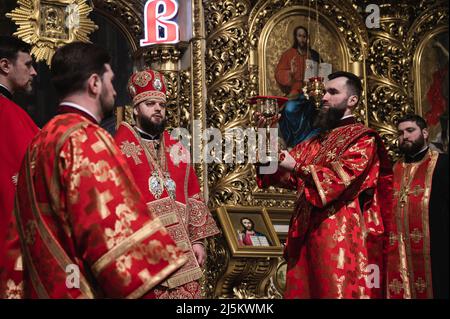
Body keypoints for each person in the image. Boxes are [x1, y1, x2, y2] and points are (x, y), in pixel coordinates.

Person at [1, 42, 186, 299]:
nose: (113, 90)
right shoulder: (87, 139)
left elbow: (18, 231)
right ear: (94, 83)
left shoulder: (40, 139)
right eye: (111, 80)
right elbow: (110, 233)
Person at [256, 71, 393, 298]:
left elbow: (340, 179)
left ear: (352, 100)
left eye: (332, 92)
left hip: (338, 235)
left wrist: (297, 167)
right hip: (306, 235)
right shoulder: (317, 141)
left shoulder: (363, 139)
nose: (324, 98)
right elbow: (276, 173)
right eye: (325, 92)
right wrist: (265, 133)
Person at [114, 68, 220, 299]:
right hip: (143, 252)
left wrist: (198, 241)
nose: (158, 110)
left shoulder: (177, 149)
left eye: (161, 105)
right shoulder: (119, 147)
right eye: (150, 104)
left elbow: (193, 195)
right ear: (136, 109)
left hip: (182, 253)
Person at [385, 114, 448, 299]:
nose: (404, 136)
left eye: (410, 130)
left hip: (437, 251)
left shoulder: (443, 164)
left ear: (425, 133)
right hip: (400, 254)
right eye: (400, 132)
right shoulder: (393, 169)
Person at [0, 36, 39, 295]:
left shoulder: (16, 114)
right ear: (5, 65)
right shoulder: (11, 116)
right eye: (28, 64)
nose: (34, 71)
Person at [275, 26, 321, 97]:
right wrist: (290, 72)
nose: (302, 39)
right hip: (295, 91)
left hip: (311, 91)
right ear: (295, 37)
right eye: (299, 36)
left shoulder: (313, 55)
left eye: (304, 36)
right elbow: (279, 73)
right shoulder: (288, 54)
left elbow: (321, 71)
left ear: (307, 38)